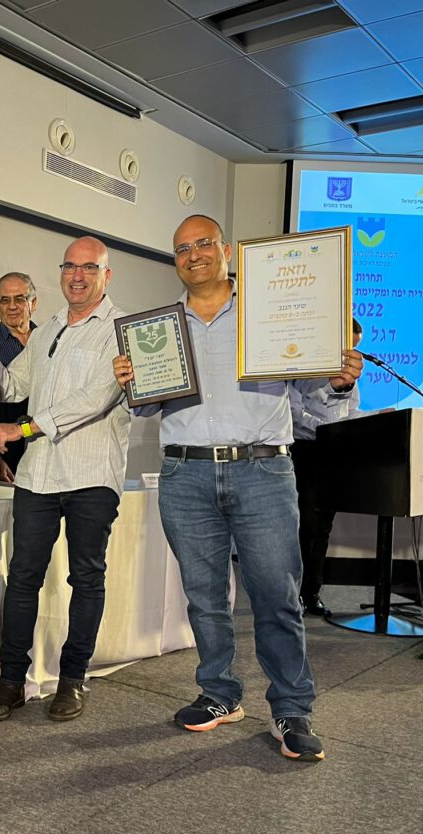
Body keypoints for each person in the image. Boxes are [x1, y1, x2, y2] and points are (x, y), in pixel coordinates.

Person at [113, 215, 361, 761]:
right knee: (204, 597)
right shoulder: (158, 330)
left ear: (226, 250)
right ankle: (219, 693)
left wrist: (339, 383)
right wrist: (133, 382)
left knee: (276, 595)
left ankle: (292, 709)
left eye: (203, 243)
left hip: (262, 471)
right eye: (182, 248)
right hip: (185, 473)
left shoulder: (270, 314)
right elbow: (148, 408)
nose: (193, 254)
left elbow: (316, 401)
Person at [0, 237, 130, 723]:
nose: (77, 276)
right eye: (69, 267)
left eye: (89, 268)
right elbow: (12, 387)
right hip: (37, 475)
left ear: (106, 275)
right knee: (22, 577)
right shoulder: (48, 331)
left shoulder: (121, 331)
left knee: (86, 578)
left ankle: (72, 679)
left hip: (91, 473)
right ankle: (11, 682)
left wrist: (20, 429)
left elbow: (94, 400)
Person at [291, 318, 363, 615]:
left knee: (322, 527)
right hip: (302, 453)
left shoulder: (348, 376)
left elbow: (349, 411)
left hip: (332, 454)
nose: (351, 354)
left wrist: (373, 419)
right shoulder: (300, 364)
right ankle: (291, 594)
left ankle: (311, 592)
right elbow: (293, 414)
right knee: (303, 526)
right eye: (348, 347)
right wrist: (326, 428)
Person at [0, 272, 38, 483]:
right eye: (4, 300)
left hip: (41, 451)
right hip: (3, 452)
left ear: (33, 303)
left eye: (19, 299)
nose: (12, 306)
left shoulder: (48, 340)